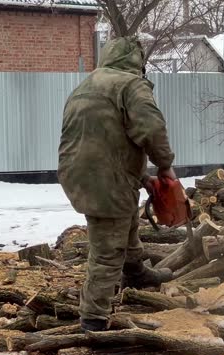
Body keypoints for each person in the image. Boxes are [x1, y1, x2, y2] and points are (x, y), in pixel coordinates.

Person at [58, 36, 175, 332]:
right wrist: (164, 167)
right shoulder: (130, 84)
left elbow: (104, 142)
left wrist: (141, 178)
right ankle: (94, 317)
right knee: (108, 247)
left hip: (78, 173)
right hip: (105, 177)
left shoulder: (87, 85)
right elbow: (151, 129)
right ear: (136, 61)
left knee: (125, 216)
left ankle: (134, 272)